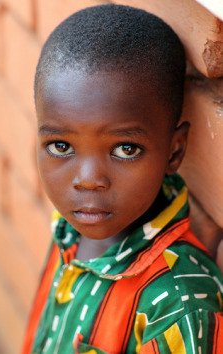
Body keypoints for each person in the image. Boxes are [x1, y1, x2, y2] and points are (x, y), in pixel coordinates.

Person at [22, 5, 223, 354]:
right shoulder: (68, 228)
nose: (87, 181)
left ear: (174, 152)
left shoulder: (175, 306)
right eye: (60, 146)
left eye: (126, 149)